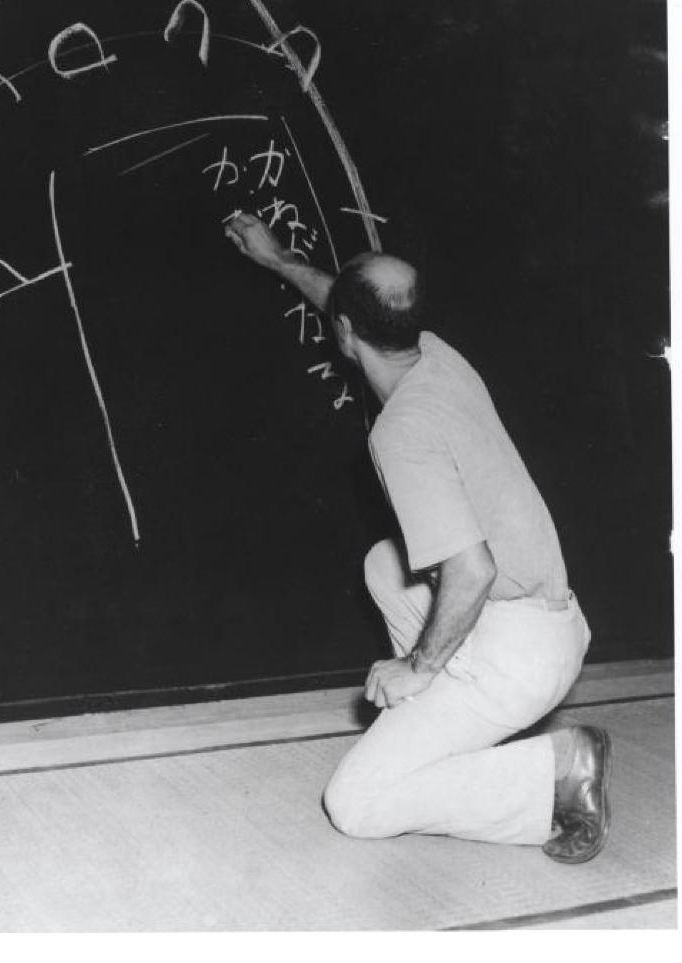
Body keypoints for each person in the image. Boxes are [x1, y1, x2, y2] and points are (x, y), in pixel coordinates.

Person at [224, 212, 611, 863]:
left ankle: (557, 773)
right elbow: (343, 304)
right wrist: (279, 261)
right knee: (386, 564)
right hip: (549, 624)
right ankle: (449, 725)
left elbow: (471, 569)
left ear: (346, 335)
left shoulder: (401, 432)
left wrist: (415, 668)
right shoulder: (439, 357)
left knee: (355, 803)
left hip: (516, 655)